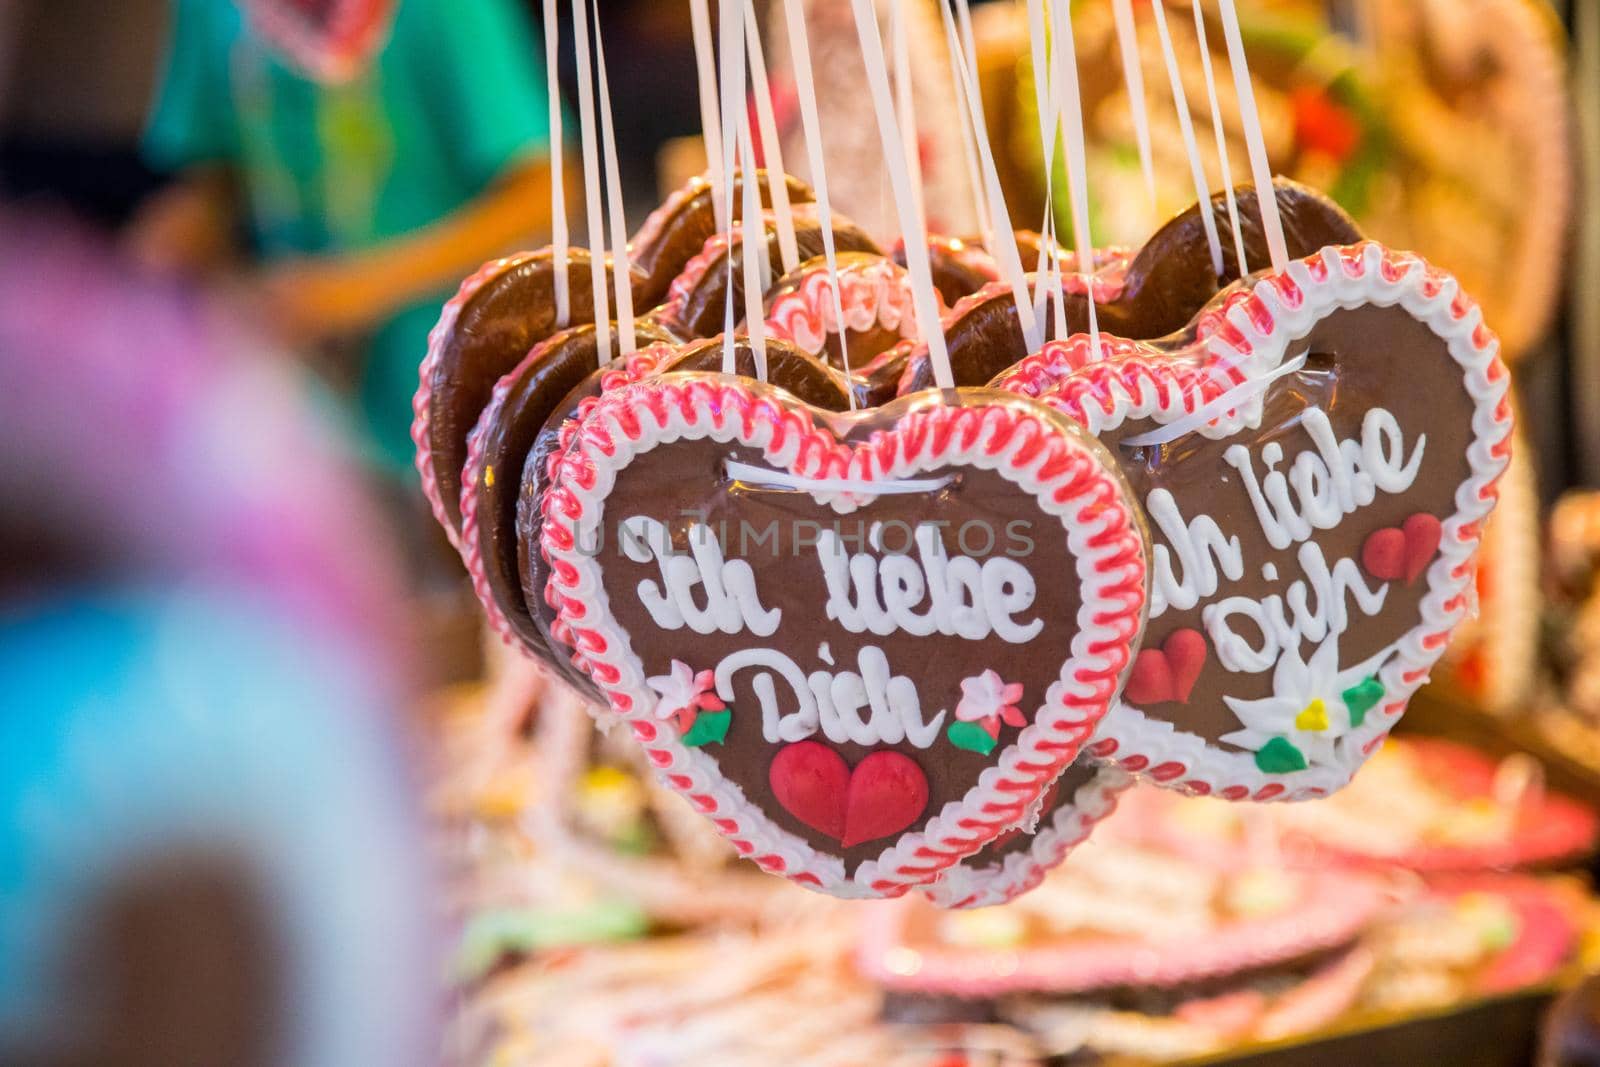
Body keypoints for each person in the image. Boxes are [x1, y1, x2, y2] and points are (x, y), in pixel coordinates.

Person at [127, 0, 556, 478]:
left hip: (448, 393)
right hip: (294, 401)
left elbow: (545, 194)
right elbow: (212, 176)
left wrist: (352, 291)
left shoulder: (450, 11)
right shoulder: (212, 11)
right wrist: (169, 248)